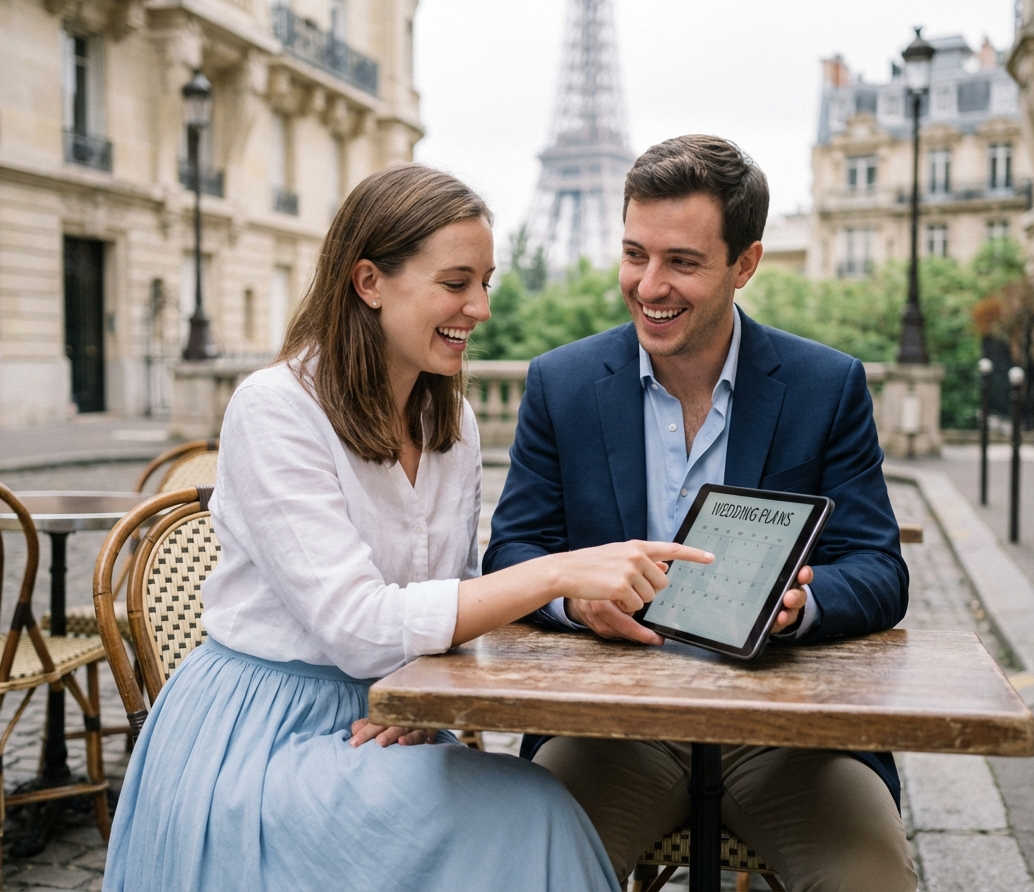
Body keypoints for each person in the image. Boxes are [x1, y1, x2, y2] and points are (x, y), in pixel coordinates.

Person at [103, 164, 716, 892]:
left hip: (400, 712)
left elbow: (449, 601)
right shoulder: (274, 409)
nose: (481, 308)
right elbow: (357, 627)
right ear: (369, 283)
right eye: (457, 284)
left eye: (486, 283)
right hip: (262, 740)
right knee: (535, 813)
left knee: (532, 812)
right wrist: (559, 572)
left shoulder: (447, 417)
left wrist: (426, 706)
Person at [483, 135, 919, 891]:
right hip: (612, 732)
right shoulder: (561, 383)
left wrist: (798, 605)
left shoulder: (827, 385)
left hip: (790, 737)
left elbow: (880, 568)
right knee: (527, 875)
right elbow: (512, 550)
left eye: (681, 262)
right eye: (634, 254)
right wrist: (572, 598)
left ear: (744, 264)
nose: (650, 285)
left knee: (871, 879)